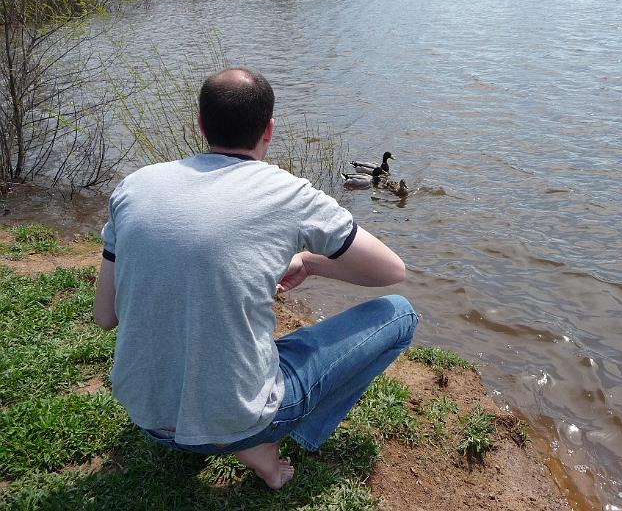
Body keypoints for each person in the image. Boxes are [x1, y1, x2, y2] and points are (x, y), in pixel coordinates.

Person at [92, 67, 417, 489]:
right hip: (238, 423)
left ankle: (234, 426)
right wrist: (313, 263)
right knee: (399, 313)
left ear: (201, 125)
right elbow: (392, 270)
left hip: (147, 419)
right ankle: (264, 441)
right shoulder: (287, 192)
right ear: (269, 129)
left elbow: (104, 317)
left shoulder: (133, 187)